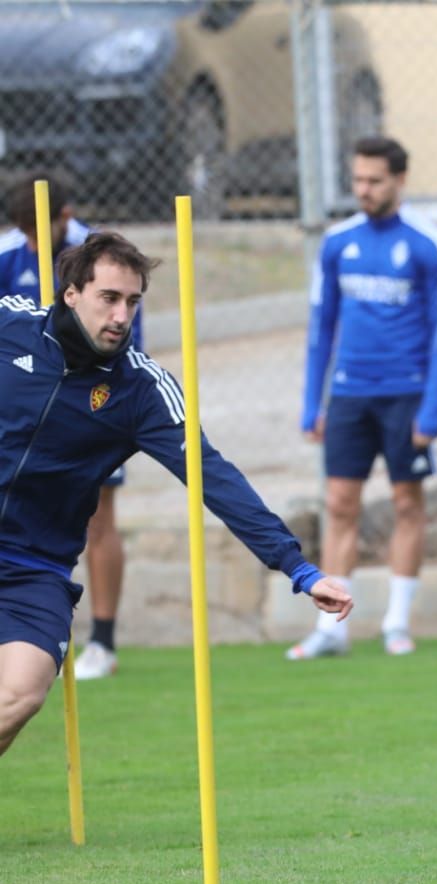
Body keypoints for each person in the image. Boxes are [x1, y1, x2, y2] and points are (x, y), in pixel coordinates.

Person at [0, 232, 352, 761]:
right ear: (71, 293)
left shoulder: (141, 391)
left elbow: (216, 478)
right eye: (110, 298)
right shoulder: (11, 323)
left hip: (35, 567)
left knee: (20, 694)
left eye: (133, 301)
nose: (123, 315)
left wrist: (299, 569)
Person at [290, 136, 437, 660]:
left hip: (405, 394)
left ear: (399, 181)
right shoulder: (338, 243)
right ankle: (332, 629)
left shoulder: (431, 244)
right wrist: (311, 401)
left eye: (374, 181)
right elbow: (322, 326)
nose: (363, 189)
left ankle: (396, 622)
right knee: (340, 504)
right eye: (358, 180)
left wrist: (431, 407)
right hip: (348, 395)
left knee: (408, 503)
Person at [1, 174, 133, 679]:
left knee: (99, 517)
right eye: (26, 235)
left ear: (63, 216)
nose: (34, 245)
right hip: (26, 417)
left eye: (41, 232)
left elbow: (123, 337)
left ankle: (102, 637)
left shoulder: (100, 260)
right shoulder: (9, 257)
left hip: (91, 406)